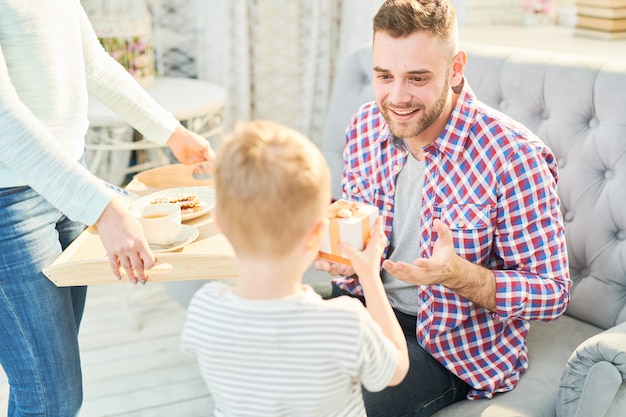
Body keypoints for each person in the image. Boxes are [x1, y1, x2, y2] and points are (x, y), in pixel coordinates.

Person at [315, 0, 571, 416]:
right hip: (365, 305)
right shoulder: (364, 125)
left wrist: (460, 275)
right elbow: (359, 231)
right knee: (263, 341)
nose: (397, 98)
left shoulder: (513, 155)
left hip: (446, 347)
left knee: (339, 403)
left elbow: (553, 293)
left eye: (417, 78)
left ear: (455, 69)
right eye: (384, 76)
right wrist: (346, 258)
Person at [0, 1, 213, 415]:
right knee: (50, 396)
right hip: (11, 205)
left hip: (67, 182)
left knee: (48, 388)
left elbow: (92, 62)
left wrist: (172, 133)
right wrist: (104, 209)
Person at [181, 120, 409, 417]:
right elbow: (396, 369)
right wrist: (369, 275)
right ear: (317, 235)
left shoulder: (204, 308)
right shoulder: (345, 323)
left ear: (220, 224)